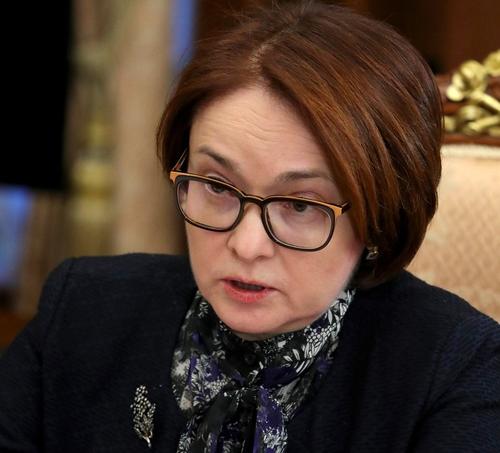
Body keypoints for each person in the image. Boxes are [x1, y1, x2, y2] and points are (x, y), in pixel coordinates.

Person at [1, 1, 499, 452]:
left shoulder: (455, 370)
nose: (246, 244)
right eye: (218, 186)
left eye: (300, 205)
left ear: (379, 218)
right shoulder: (84, 309)